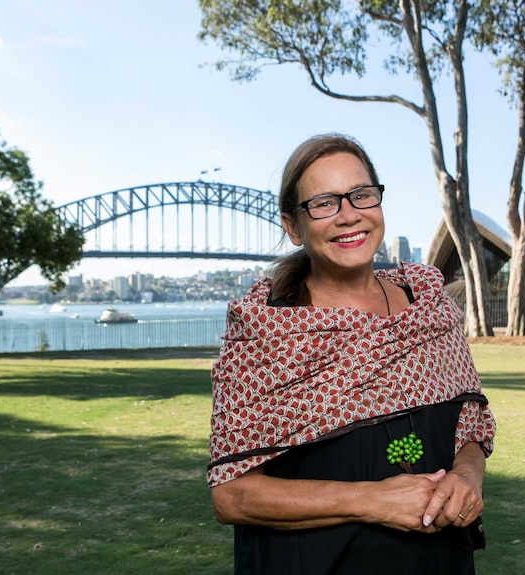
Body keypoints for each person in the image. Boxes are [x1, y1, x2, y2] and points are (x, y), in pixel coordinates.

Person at [207, 133, 496, 574]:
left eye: (361, 195)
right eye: (324, 203)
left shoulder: (430, 309)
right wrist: (372, 501)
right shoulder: (265, 332)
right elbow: (231, 496)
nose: (348, 216)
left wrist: (467, 477)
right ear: (292, 226)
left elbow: (469, 429)